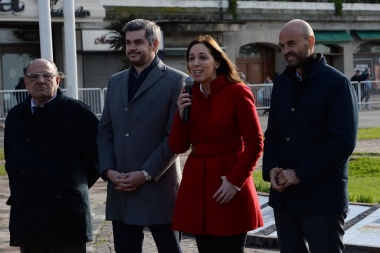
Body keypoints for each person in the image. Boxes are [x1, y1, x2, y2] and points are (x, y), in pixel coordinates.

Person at [262, 19, 358, 253]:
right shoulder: (282, 83)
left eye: (291, 43)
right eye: (282, 45)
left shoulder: (337, 84)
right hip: (285, 199)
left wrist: (300, 174)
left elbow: (342, 142)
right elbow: (272, 133)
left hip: (322, 199)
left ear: (311, 42)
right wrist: (272, 168)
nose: (286, 50)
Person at [97, 19, 187, 253]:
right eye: (128, 43)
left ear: (154, 44)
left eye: (138, 42)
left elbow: (174, 137)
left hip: (160, 188)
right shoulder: (115, 82)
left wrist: (146, 173)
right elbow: (105, 131)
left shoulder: (176, 80)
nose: (132, 48)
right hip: (120, 189)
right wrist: (108, 171)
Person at [168, 35, 264, 253]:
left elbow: (255, 144)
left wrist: (234, 181)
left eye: (203, 57)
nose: (195, 63)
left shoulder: (237, 92)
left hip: (227, 183)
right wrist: (181, 116)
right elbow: (177, 147)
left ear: (217, 62)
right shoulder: (190, 95)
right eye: (191, 59)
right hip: (197, 185)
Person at [4, 58, 100, 253]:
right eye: (34, 76)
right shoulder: (15, 116)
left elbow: (95, 164)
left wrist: (66, 190)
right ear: (25, 82)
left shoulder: (79, 113)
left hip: (67, 218)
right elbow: (11, 159)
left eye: (47, 75)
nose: (40, 80)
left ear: (58, 80)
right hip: (29, 219)